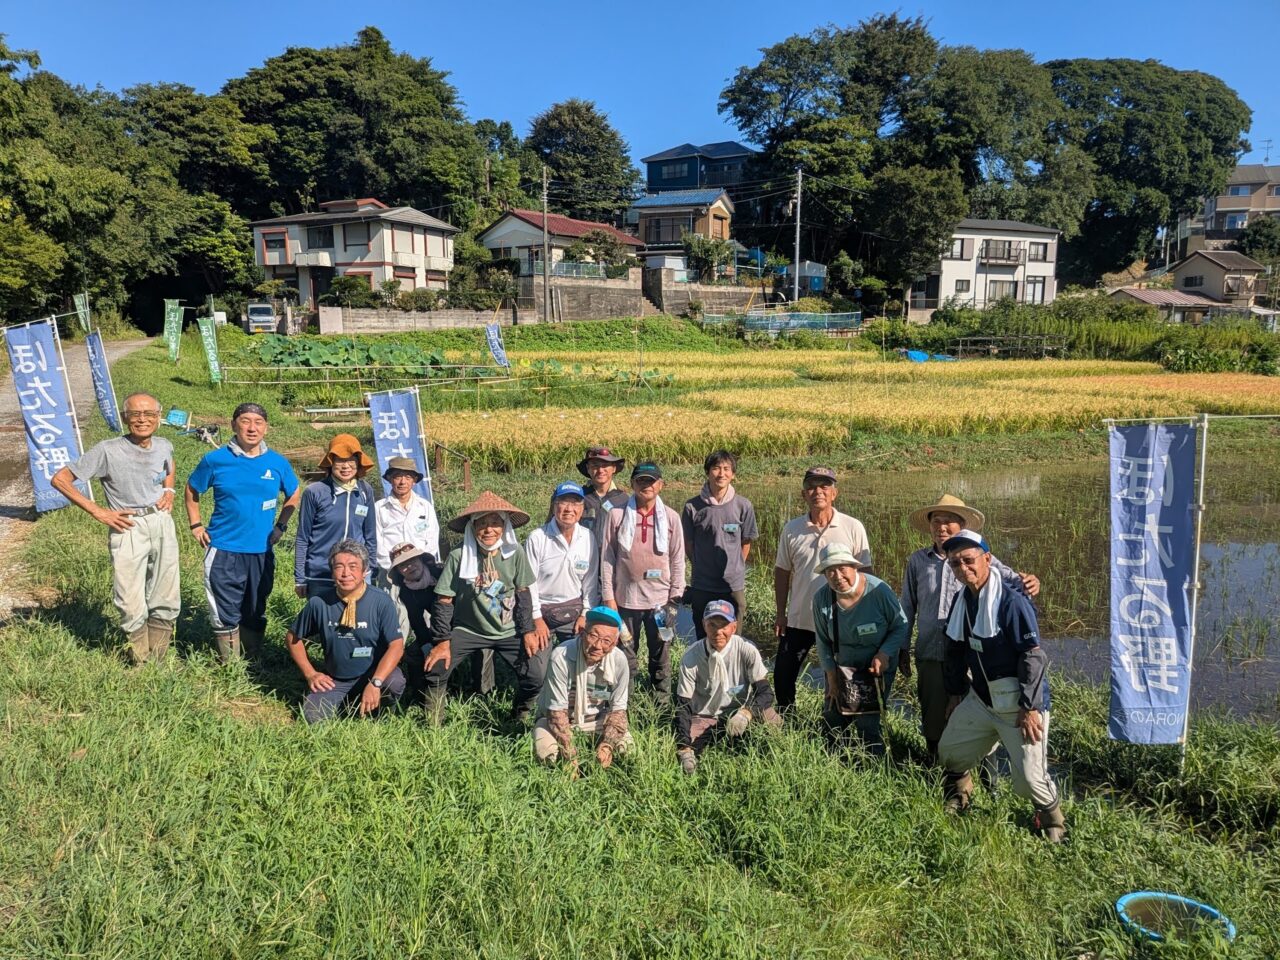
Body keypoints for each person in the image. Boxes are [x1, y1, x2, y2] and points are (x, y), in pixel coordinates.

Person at [937, 529, 1065, 842]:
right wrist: (955, 694)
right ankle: (961, 794)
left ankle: (1053, 822)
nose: (963, 568)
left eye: (969, 560)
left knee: (1030, 780)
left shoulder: (1012, 601)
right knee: (950, 751)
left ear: (987, 559)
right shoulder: (962, 600)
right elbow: (955, 651)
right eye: (955, 563)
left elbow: (1032, 657)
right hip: (981, 698)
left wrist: (1030, 707)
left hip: (1017, 705)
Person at [900, 494, 1041, 759]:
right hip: (931, 651)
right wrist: (902, 647)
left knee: (980, 719)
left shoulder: (978, 555)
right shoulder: (918, 561)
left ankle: (987, 780)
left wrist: (1032, 582)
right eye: (936, 522)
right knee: (934, 716)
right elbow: (907, 606)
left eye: (949, 522)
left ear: (962, 526)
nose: (941, 528)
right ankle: (939, 770)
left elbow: (1015, 583)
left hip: (975, 656)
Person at [50, 391, 178, 664]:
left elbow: (169, 465)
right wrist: (99, 511)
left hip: (161, 520)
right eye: (135, 414)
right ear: (124, 418)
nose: (142, 420)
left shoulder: (164, 444)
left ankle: (159, 658)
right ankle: (139, 660)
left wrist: (170, 489)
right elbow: (60, 479)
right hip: (128, 525)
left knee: (166, 591)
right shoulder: (108, 450)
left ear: (159, 417)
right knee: (129, 597)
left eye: (149, 414)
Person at [184, 402, 300, 662]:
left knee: (255, 606)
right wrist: (196, 524)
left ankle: (253, 659)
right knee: (225, 608)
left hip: (261, 549)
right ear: (234, 425)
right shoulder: (215, 460)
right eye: (245, 421)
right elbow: (192, 491)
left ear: (266, 428)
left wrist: (281, 525)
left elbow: (293, 493)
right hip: (224, 548)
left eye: (258, 422)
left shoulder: (277, 463)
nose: (252, 427)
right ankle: (230, 665)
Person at [424, 492, 546, 723]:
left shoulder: (515, 552)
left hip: (509, 629)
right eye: (482, 523)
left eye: (495, 523)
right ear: (473, 527)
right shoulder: (459, 555)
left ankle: (521, 715)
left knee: (535, 674)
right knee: (436, 668)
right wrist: (441, 642)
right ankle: (433, 722)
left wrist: (528, 630)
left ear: (504, 526)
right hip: (468, 629)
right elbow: (443, 600)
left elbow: (524, 593)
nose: (488, 530)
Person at [772, 467, 873, 712]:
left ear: (834, 493)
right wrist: (781, 612)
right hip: (800, 618)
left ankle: (837, 722)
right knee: (783, 675)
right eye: (812, 486)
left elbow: (866, 573)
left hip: (842, 618)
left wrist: (863, 612)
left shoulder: (852, 526)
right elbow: (782, 571)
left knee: (843, 675)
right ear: (803, 494)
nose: (818, 491)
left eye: (824, 486)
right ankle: (788, 719)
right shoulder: (792, 529)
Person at [285, 539, 406, 723]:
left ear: (364, 570)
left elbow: (396, 645)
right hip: (336, 679)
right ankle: (347, 701)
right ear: (332, 571)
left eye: (353, 566)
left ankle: (376, 709)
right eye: (339, 566)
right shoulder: (319, 603)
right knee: (312, 716)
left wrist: (376, 682)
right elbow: (293, 638)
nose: (345, 573)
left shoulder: (380, 601)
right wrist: (311, 673)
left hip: (372, 674)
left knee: (395, 682)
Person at [600, 460, 685, 705]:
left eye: (651, 481)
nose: (645, 486)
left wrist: (675, 597)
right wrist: (608, 597)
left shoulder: (670, 517)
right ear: (632, 484)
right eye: (641, 481)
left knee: (661, 651)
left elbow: (678, 559)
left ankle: (662, 700)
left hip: (660, 602)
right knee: (626, 650)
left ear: (661, 485)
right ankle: (624, 700)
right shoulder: (616, 516)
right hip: (625, 600)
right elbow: (608, 558)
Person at [813, 544, 908, 756]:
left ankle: (874, 766)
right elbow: (822, 641)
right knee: (833, 717)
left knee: (868, 723)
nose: (837, 576)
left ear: (854, 567)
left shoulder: (879, 591)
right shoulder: (821, 599)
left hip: (876, 668)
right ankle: (835, 763)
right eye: (830, 571)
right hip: (842, 666)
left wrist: (884, 653)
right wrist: (831, 676)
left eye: (842, 568)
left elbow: (900, 625)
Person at [674, 600, 781, 774]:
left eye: (724, 625)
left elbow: (766, 693)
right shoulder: (691, 657)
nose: (718, 632)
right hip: (705, 714)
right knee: (689, 751)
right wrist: (684, 746)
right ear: (703, 625)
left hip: (740, 711)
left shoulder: (746, 650)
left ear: (734, 626)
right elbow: (683, 705)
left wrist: (747, 713)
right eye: (712, 624)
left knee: (774, 725)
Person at [532, 605, 632, 771]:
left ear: (614, 644)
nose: (598, 646)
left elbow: (618, 711)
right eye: (593, 636)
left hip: (598, 720)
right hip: (559, 721)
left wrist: (607, 745)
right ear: (582, 633)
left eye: (606, 641)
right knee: (547, 756)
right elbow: (556, 712)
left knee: (628, 752)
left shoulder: (619, 661)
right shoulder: (561, 656)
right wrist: (570, 752)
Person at [681, 450, 758, 642]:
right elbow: (688, 544)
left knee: (734, 635)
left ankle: (731, 670)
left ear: (733, 474)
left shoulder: (743, 505)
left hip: (732, 583)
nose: (721, 474)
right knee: (703, 635)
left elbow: (745, 542)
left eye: (726, 469)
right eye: (716, 468)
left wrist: (736, 565)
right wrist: (700, 564)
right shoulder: (692, 507)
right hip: (702, 582)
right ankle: (703, 670)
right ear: (707, 472)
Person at [294, 434, 377, 599]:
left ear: (358, 463)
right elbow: (303, 537)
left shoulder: (365, 491)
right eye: (339, 460)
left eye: (351, 460)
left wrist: (371, 570)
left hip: (355, 575)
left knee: (356, 622)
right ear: (331, 462)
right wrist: (300, 578)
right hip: (320, 574)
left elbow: (370, 535)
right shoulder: (315, 492)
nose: (346, 466)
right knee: (322, 622)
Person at [525, 482, 600, 646]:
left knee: (581, 659)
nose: (569, 509)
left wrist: (585, 614)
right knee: (537, 670)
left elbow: (590, 581)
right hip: (542, 611)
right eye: (563, 502)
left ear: (581, 509)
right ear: (554, 506)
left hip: (574, 611)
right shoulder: (537, 538)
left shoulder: (588, 537)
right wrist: (536, 618)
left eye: (575, 503)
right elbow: (529, 584)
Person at [385, 541, 441, 699]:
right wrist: (426, 645)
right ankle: (419, 695)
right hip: (439, 628)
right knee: (414, 653)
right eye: (403, 566)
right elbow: (416, 621)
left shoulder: (441, 573)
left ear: (422, 560)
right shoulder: (406, 591)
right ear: (398, 571)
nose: (410, 567)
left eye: (413, 561)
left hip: (460, 624)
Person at [374, 457, 440, 583]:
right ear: (390, 479)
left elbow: (432, 539)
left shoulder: (425, 506)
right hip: (391, 573)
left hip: (422, 571)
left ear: (414, 481)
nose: (402, 482)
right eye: (397, 477)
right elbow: (377, 544)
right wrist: (395, 568)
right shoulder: (380, 508)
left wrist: (421, 566)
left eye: (408, 477)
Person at [577, 446, 629, 535]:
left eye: (605, 465)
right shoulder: (578, 497)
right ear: (588, 468)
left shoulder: (624, 499)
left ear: (614, 468)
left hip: (612, 549)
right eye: (595, 466)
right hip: (584, 548)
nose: (600, 470)